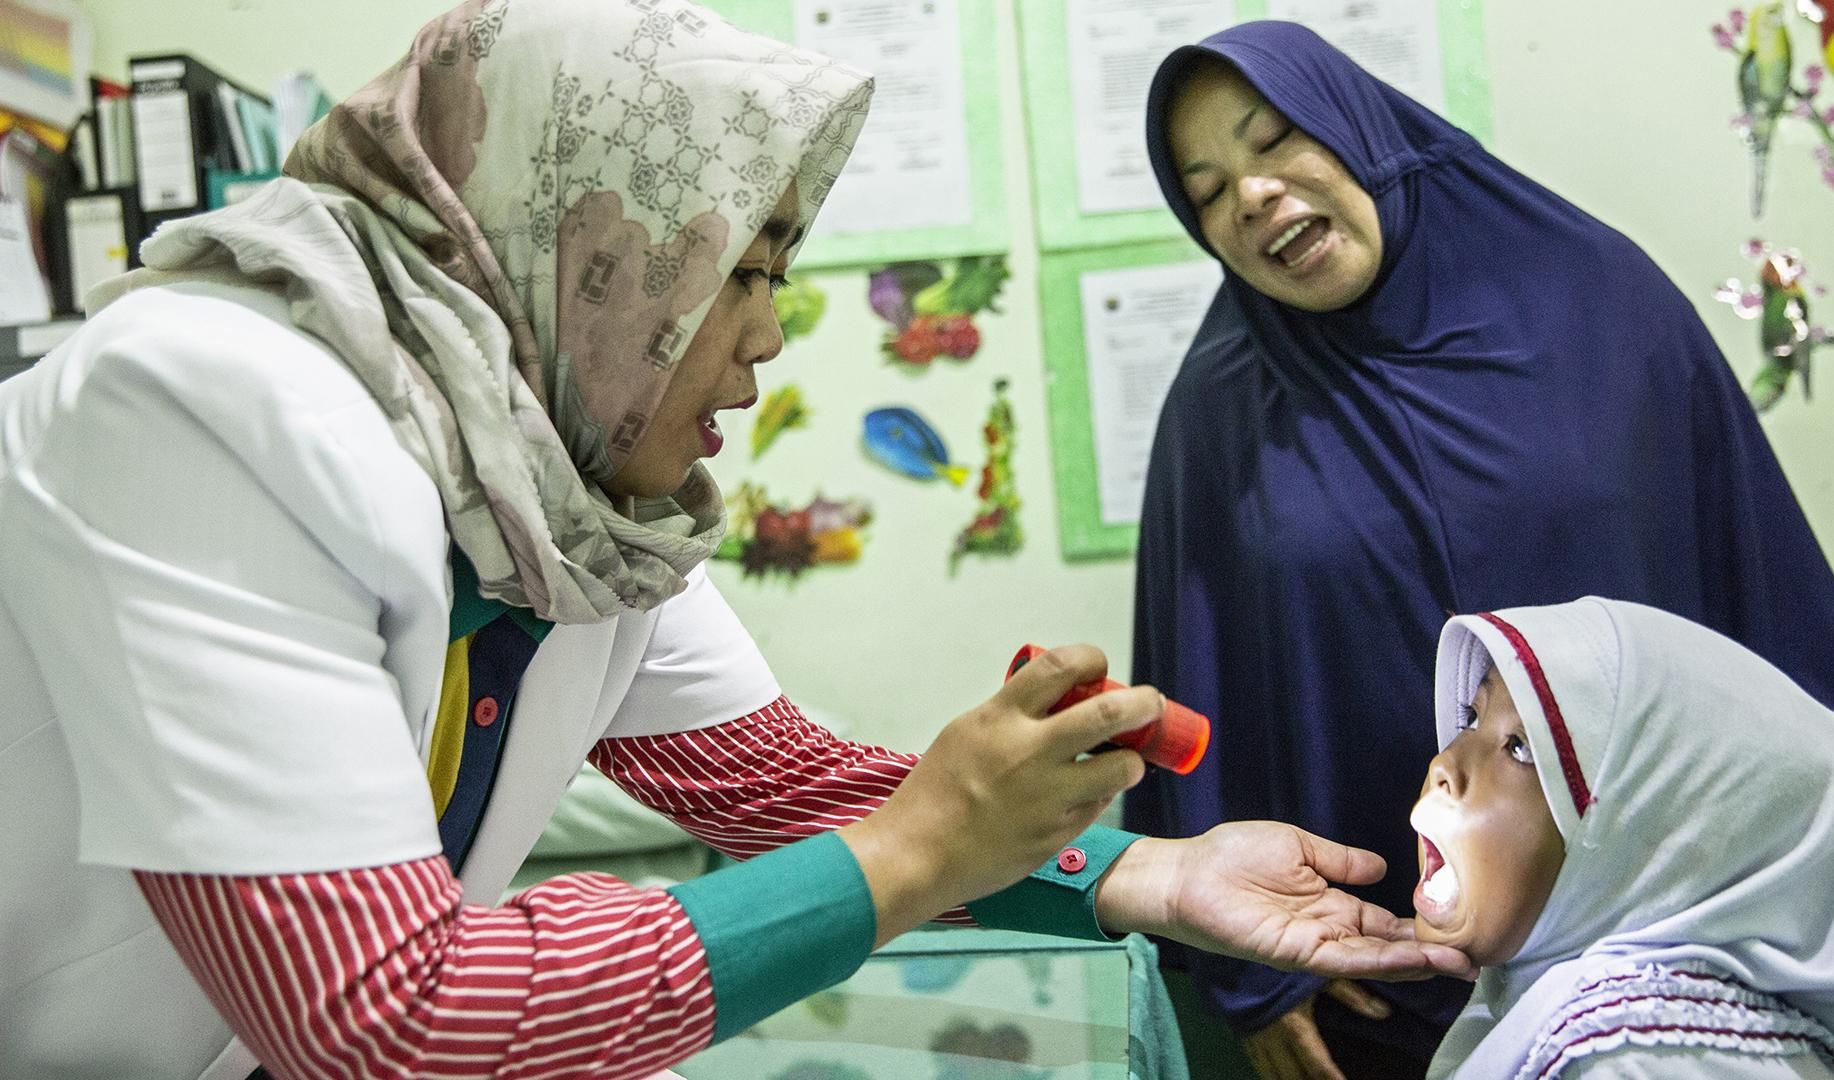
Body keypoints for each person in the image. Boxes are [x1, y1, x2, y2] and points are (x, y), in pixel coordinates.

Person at [0, 3, 1469, 1078]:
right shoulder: (198, 408)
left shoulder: (563, 489)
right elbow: (390, 1014)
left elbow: (769, 781)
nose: (767, 341)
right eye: (741, 272)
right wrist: (913, 848)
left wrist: (1143, 879)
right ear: (569, 243)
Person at [1127, 20, 1834, 1080]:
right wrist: (1256, 976)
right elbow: (1196, 673)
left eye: (1276, 141)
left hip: (1677, 944)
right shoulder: (1222, 410)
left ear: (1362, 130)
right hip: (1384, 969)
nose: (1255, 194)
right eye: (1209, 188)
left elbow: (1752, 558)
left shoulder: (1598, 302)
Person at [1414, 596, 1834, 1080]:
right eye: (1473, 718)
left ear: (1647, 843)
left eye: (1520, 748)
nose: (1444, 767)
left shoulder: (1635, 1058)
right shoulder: (1612, 1021)